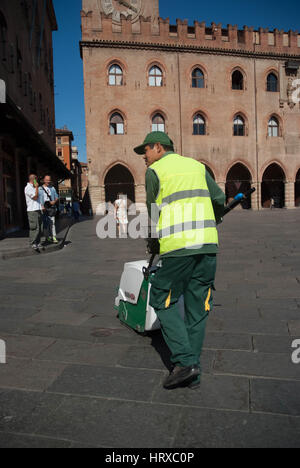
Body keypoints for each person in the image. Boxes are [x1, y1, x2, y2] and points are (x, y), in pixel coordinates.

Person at [134, 131, 226, 390]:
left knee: (161, 297)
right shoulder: (197, 166)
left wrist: (153, 242)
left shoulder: (156, 171)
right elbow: (218, 200)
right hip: (207, 245)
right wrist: (214, 218)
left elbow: (153, 212)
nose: (144, 156)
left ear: (159, 148)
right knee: (199, 307)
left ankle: (184, 361)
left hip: (178, 247)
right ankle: (192, 374)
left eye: (146, 150)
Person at [24, 174, 43, 251]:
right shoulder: (28, 188)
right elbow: (35, 197)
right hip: (32, 210)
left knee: (40, 227)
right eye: (36, 179)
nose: (37, 180)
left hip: (38, 209)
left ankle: (38, 242)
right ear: (33, 179)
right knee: (34, 227)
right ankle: (33, 243)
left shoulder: (34, 187)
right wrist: (36, 187)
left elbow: (38, 198)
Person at [39, 175, 59, 244]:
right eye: (47, 180)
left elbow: (57, 197)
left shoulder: (52, 188)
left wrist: (54, 201)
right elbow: (38, 199)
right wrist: (41, 206)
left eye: (49, 180)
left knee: (52, 223)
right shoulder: (39, 189)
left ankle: (54, 237)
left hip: (51, 207)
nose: (48, 181)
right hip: (43, 207)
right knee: (45, 223)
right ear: (44, 180)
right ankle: (47, 237)